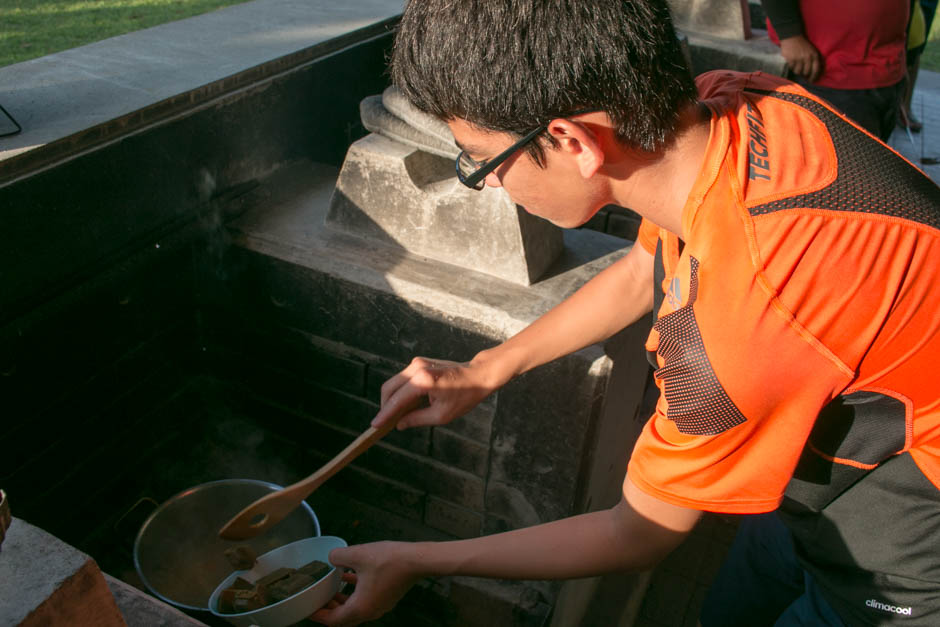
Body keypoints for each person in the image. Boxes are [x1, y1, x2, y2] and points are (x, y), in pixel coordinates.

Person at [312, 1, 940, 625]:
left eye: (481, 159)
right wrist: (485, 368)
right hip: (824, 473)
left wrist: (417, 561)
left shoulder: (744, 316)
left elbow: (636, 533)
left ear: (570, 140)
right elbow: (646, 270)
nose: (489, 182)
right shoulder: (728, 104)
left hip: (906, 547)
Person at [760, 0, 909, 142]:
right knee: (839, 164)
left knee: (873, 161)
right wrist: (789, 35)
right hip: (828, 74)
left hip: (888, 71)